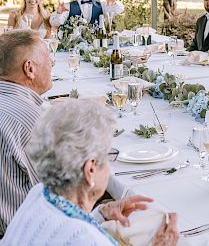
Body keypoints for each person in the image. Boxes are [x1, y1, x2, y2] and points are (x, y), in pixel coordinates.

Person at [2, 100, 180, 245]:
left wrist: (99, 214)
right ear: (90, 170)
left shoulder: (39, 194)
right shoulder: (87, 240)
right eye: (109, 155)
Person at [0, 30, 54, 236]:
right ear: (29, 69)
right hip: (24, 233)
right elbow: (59, 196)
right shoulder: (32, 121)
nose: (53, 65)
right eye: (49, 59)